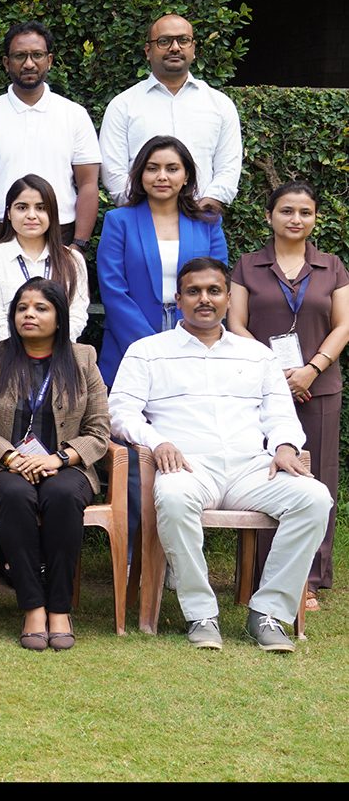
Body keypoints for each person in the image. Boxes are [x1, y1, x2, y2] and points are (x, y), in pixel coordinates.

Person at [111, 258, 333, 652]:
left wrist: (284, 445)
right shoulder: (148, 351)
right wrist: (156, 440)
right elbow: (120, 412)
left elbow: (281, 413)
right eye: (194, 291)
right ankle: (201, 613)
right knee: (174, 497)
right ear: (178, 299)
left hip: (253, 469)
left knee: (315, 499)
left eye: (214, 291)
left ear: (229, 298)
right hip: (188, 465)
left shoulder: (257, 355)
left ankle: (268, 613)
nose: (204, 299)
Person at [0, 278, 112, 651]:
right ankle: (33, 606)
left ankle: (59, 608)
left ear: (60, 318)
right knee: (13, 494)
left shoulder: (83, 359)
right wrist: (11, 458)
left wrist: (58, 459)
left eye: (41, 308)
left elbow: (99, 430)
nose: (29, 314)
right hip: (4, 469)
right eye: (22, 308)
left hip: (66, 466)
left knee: (61, 494)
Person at [228, 181, 349, 607]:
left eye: (305, 212)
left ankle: (309, 578)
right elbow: (235, 323)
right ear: (269, 216)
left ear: (315, 217)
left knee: (314, 477)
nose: (295, 219)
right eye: (286, 211)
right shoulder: (247, 266)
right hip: (261, 389)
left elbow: (343, 325)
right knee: (265, 473)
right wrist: (274, 372)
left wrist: (311, 369)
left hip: (319, 389)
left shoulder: (331, 266)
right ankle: (262, 572)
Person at [95, 136, 228, 386]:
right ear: (140, 175)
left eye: (172, 169)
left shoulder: (208, 224)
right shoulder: (118, 221)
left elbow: (217, 285)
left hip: (194, 335)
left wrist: (187, 339)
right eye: (152, 168)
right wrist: (151, 348)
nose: (162, 176)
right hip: (130, 339)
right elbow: (113, 290)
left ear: (186, 176)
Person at [0, 22, 101, 254]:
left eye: (37, 55)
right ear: (7, 63)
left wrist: (79, 245)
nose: (29, 63)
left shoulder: (74, 115)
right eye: (19, 56)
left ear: (49, 60)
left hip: (61, 239)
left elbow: (88, 183)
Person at [99, 14, 242, 213]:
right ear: (148, 51)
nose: (175, 47)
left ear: (193, 49)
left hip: (202, 219)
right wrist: (146, 212)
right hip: (140, 220)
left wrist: (205, 208)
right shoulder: (123, 105)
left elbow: (228, 167)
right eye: (164, 41)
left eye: (183, 40)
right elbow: (113, 171)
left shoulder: (220, 105)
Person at [0, 174, 89, 344]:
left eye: (41, 208)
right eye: (22, 208)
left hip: (60, 358)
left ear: (53, 213)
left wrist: (49, 350)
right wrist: (21, 351)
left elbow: (77, 314)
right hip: (7, 356)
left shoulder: (73, 259)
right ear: (9, 213)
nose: (32, 215)